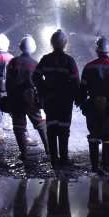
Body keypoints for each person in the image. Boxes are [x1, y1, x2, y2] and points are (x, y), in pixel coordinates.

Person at [79, 36, 109, 175]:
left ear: (97, 50)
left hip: (93, 104)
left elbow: (82, 88)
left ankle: (94, 166)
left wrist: (82, 104)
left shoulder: (89, 67)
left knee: (93, 134)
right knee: (108, 134)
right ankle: (106, 165)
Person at [33, 29, 80, 168]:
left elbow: (35, 76)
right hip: (65, 101)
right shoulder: (69, 61)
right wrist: (77, 98)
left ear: (52, 43)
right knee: (64, 129)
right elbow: (76, 82)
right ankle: (64, 159)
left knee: (52, 128)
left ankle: (54, 160)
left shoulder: (46, 59)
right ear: (65, 43)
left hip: (50, 100)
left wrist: (43, 91)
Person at [6, 35, 48, 160]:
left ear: (20, 47)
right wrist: (41, 100)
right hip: (31, 100)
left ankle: (24, 153)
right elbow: (40, 84)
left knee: (19, 126)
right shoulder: (36, 64)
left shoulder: (13, 62)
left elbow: (8, 82)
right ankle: (48, 150)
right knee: (40, 123)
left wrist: (9, 99)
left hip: (16, 99)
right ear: (33, 48)